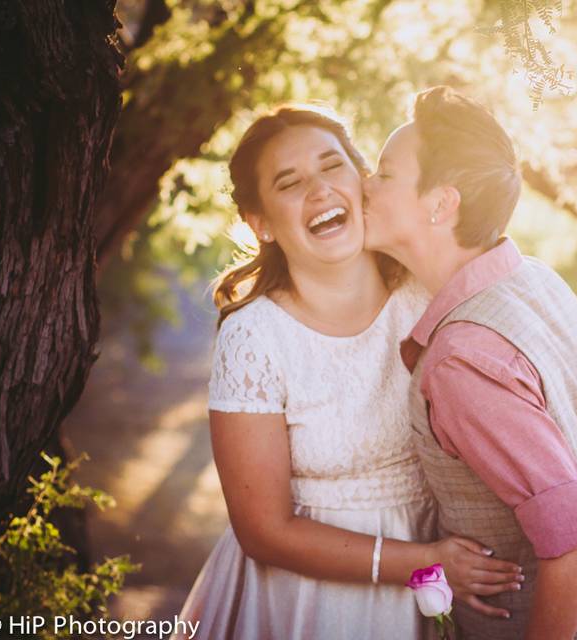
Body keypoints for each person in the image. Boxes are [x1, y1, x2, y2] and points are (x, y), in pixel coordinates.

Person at [173, 105, 525, 640]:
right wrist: (425, 563)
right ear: (260, 223)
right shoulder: (253, 338)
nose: (318, 191)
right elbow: (262, 531)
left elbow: (519, 396)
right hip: (305, 600)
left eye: (331, 166)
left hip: (445, 578)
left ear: (362, 181)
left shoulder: (426, 289)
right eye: (289, 182)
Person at [363, 86, 577, 639]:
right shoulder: (535, 278)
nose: (364, 185)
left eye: (384, 173)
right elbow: (556, 423)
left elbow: (573, 538)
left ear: (441, 204)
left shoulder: (460, 359)